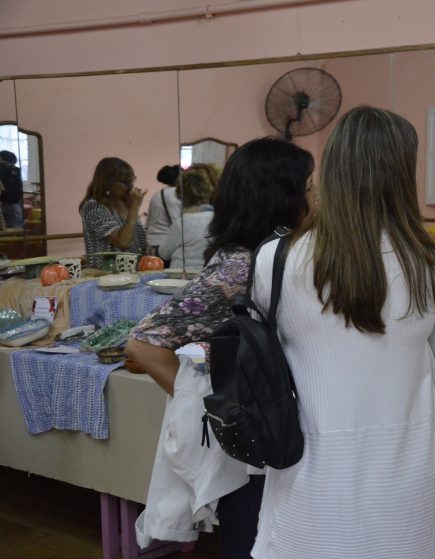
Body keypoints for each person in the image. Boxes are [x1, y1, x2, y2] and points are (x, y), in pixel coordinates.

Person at [250, 107, 435, 559]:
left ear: (331, 170)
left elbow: (269, 361)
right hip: (411, 474)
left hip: (315, 475)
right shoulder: (432, 262)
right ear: (402, 173)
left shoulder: (278, 258)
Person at [124, 137, 314, 558]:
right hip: (258, 445)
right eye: (308, 187)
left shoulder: (274, 253)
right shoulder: (241, 264)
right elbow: (144, 345)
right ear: (281, 196)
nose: (315, 198)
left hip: (272, 436)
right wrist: (217, 405)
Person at [79, 157, 148, 268]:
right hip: (106, 272)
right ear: (107, 182)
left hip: (133, 270)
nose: (130, 186)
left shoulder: (126, 203)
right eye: (124, 182)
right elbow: (122, 242)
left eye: (131, 180)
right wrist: (134, 209)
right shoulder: (93, 206)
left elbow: (140, 242)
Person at [158, 164, 218, 269]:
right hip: (208, 273)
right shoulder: (218, 219)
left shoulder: (182, 222)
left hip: (180, 274)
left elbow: (164, 253)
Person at [145, 164, 182, 255]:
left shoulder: (156, 195)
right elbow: (178, 222)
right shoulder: (178, 195)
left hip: (152, 243)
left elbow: (148, 223)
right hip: (169, 244)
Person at [0, 150, 24, 228]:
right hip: (7, 202)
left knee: (14, 227)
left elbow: (10, 187)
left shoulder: (14, 170)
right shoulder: (13, 170)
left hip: (12, 203)